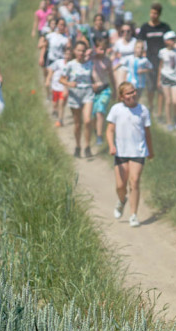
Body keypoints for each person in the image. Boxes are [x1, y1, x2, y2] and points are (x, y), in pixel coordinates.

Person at [106, 82, 153, 228]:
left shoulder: (143, 110)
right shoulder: (116, 109)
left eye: (133, 92)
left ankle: (133, 215)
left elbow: (147, 133)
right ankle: (121, 200)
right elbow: (110, 130)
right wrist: (111, 145)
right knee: (121, 186)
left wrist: (150, 150)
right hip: (121, 152)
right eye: (128, 93)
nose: (132, 95)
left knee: (134, 181)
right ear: (121, 97)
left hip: (138, 151)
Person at [59, 40, 95, 158]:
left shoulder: (89, 64)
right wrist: (69, 84)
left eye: (83, 50)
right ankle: (78, 146)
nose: (81, 52)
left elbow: (93, 77)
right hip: (75, 94)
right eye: (78, 50)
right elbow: (61, 79)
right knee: (77, 124)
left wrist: (95, 84)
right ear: (74, 51)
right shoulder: (70, 64)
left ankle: (87, 146)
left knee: (88, 120)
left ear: (86, 52)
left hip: (87, 93)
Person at [136, 3, 171, 112]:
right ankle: (151, 106)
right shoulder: (145, 27)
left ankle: (160, 112)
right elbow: (140, 42)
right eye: (151, 13)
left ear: (159, 14)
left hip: (162, 61)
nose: (153, 15)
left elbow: (169, 41)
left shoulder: (164, 28)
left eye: (155, 13)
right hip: (150, 60)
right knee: (150, 87)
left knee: (160, 87)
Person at [91, 37, 117, 147]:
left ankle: (99, 136)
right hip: (93, 90)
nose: (102, 52)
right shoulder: (91, 59)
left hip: (105, 89)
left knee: (100, 110)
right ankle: (95, 130)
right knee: (93, 114)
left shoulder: (107, 61)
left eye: (104, 49)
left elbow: (111, 76)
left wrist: (115, 90)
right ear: (96, 49)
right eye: (100, 49)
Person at [157, 30, 176, 129]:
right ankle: (169, 122)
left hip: (175, 78)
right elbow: (160, 66)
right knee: (168, 101)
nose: (173, 41)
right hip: (165, 77)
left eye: (174, 39)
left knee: (175, 101)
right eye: (171, 39)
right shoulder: (162, 52)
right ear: (166, 41)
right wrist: (158, 80)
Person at [46, 46, 73, 126]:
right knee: (55, 103)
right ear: (64, 54)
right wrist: (48, 79)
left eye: (69, 54)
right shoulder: (58, 62)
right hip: (55, 86)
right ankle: (55, 110)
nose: (67, 56)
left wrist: (67, 88)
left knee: (61, 103)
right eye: (66, 54)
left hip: (64, 88)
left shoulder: (72, 64)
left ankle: (60, 120)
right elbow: (50, 69)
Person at [38, 17, 70, 84]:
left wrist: (68, 35)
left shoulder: (65, 39)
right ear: (57, 25)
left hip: (60, 61)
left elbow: (69, 49)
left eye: (64, 25)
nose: (62, 27)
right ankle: (48, 92)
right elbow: (42, 46)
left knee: (56, 79)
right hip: (51, 60)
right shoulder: (50, 35)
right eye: (60, 25)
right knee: (48, 78)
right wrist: (41, 57)